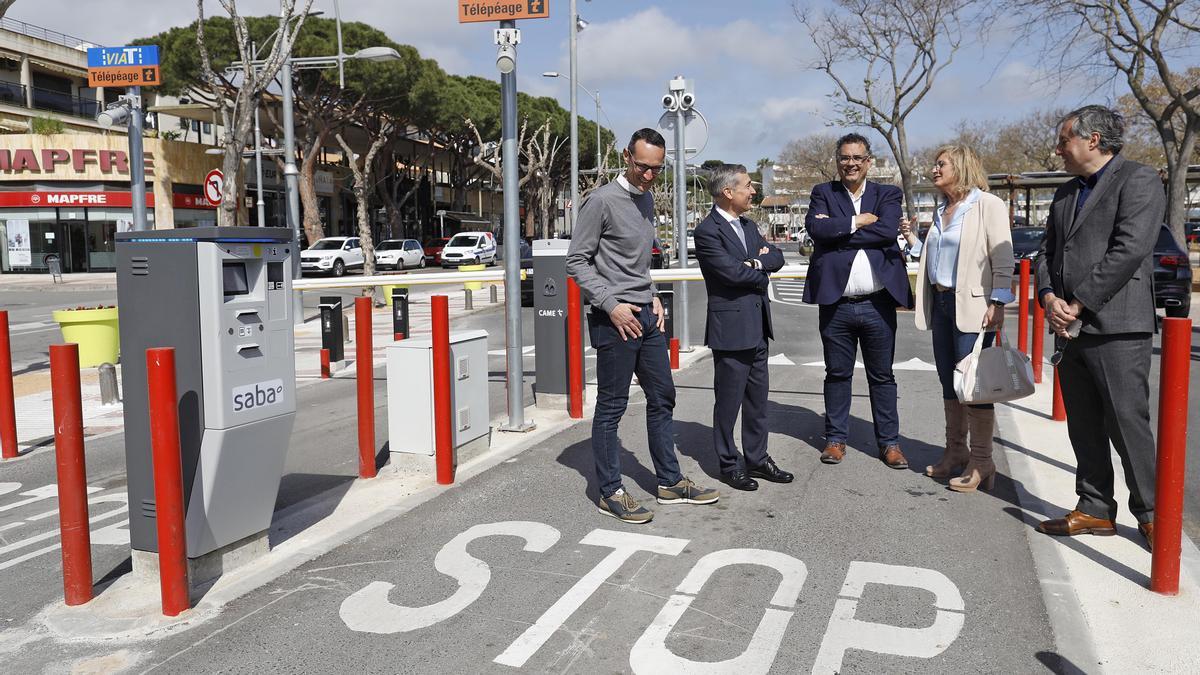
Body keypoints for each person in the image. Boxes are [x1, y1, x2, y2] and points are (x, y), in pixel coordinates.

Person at [566, 128, 719, 524]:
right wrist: (611, 305)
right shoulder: (600, 201)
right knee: (612, 408)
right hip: (614, 319)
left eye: (657, 169)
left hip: (647, 315)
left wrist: (650, 292)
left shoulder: (648, 198)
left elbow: (638, 263)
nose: (649, 175)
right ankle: (610, 490)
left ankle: (669, 482)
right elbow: (577, 262)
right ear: (625, 156)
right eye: (642, 166)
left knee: (663, 397)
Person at [1034, 105, 1164, 547]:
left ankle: (1151, 514)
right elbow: (1046, 255)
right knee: (1083, 424)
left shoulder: (1139, 179)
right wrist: (1049, 297)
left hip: (1117, 327)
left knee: (1128, 423)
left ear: (1093, 140)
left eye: (1064, 140)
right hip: (1070, 327)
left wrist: (1078, 302)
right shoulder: (1066, 191)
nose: (1058, 149)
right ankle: (1094, 508)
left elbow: (1129, 250)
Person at [900, 144, 1014, 492]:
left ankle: (982, 460)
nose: (934, 170)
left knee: (974, 388)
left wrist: (998, 300)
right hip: (944, 305)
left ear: (961, 167)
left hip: (975, 309)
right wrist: (914, 242)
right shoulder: (941, 211)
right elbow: (943, 259)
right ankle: (955, 452)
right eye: (934, 165)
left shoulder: (986, 205)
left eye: (941, 164)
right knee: (950, 383)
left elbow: (1004, 256)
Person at [802, 133, 914, 469]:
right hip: (836, 304)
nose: (850, 164)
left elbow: (886, 231)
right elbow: (816, 231)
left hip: (877, 304)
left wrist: (839, 232)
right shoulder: (823, 192)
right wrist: (857, 221)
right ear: (837, 161)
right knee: (837, 373)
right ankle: (835, 439)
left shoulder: (887, 194)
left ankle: (890, 444)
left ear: (868, 162)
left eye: (857, 158)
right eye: (845, 158)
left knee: (882, 376)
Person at [694, 164, 792, 491]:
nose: (753, 192)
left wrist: (756, 262)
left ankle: (757, 458)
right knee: (728, 403)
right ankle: (728, 463)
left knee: (757, 402)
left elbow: (776, 257)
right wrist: (757, 269)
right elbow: (731, 274)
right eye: (748, 186)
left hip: (758, 327)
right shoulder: (707, 231)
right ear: (728, 192)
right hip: (731, 331)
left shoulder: (749, 226)